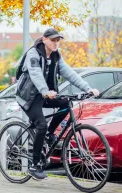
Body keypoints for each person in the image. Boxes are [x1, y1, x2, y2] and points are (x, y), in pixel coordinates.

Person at [15, 28, 100, 180]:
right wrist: (44, 90)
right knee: (41, 125)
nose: (55, 43)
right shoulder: (33, 54)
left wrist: (88, 89)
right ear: (44, 39)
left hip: (46, 94)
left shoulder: (56, 56)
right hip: (29, 96)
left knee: (66, 104)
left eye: (57, 40)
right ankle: (34, 166)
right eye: (53, 40)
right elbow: (35, 74)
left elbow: (70, 73)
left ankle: (49, 134)